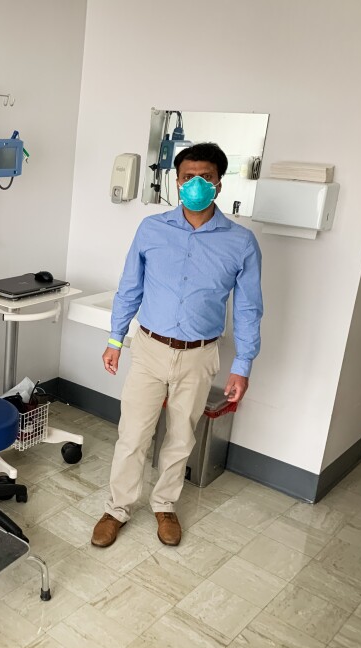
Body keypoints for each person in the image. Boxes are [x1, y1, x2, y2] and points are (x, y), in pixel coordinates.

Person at [91, 142, 263, 548]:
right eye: (188, 177)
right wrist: (116, 339)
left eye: (205, 177)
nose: (196, 185)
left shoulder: (241, 243)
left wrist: (243, 365)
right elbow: (130, 287)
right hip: (150, 348)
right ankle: (117, 508)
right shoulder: (152, 229)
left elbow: (249, 309)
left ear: (219, 184)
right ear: (177, 181)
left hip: (200, 354)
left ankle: (165, 505)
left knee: (182, 437)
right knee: (133, 433)